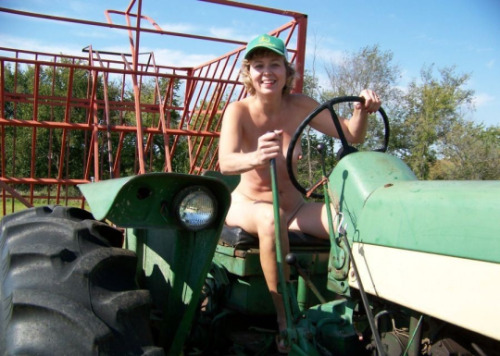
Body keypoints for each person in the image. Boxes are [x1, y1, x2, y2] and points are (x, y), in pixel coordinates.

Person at [218, 34, 381, 353]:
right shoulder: (238, 111)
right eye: (259, 65)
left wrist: (363, 110)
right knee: (269, 219)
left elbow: (350, 134)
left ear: (286, 72)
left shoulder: (301, 105)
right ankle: (285, 322)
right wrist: (254, 157)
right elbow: (225, 162)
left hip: (294, 208)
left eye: (274, 64)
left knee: (347, 224)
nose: (267, 72)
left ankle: (360, 314)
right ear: (249, 73)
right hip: (249, 205)